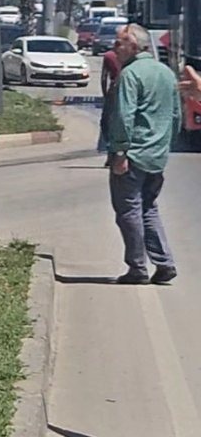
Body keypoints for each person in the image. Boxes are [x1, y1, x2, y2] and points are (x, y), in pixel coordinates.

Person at [105, 24, 181, 285]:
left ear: (134, 46)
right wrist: (164, 146)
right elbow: (175, 117)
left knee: (128, 211)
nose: (115, 48)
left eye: (120, 43)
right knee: (147, 208)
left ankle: (137, 268)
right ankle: (164, 263)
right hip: (156, 156)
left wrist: (119, 151)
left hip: (133, 154)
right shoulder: (166, 73)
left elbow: (124, 116)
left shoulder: (130, 75)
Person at [97, 45, 124, 156]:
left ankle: (110, 150)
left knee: (106, 121)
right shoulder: (131, 56)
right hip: (130, 87)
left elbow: (104, 77)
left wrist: (105, 94)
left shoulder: (109, 56)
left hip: (114, 88)